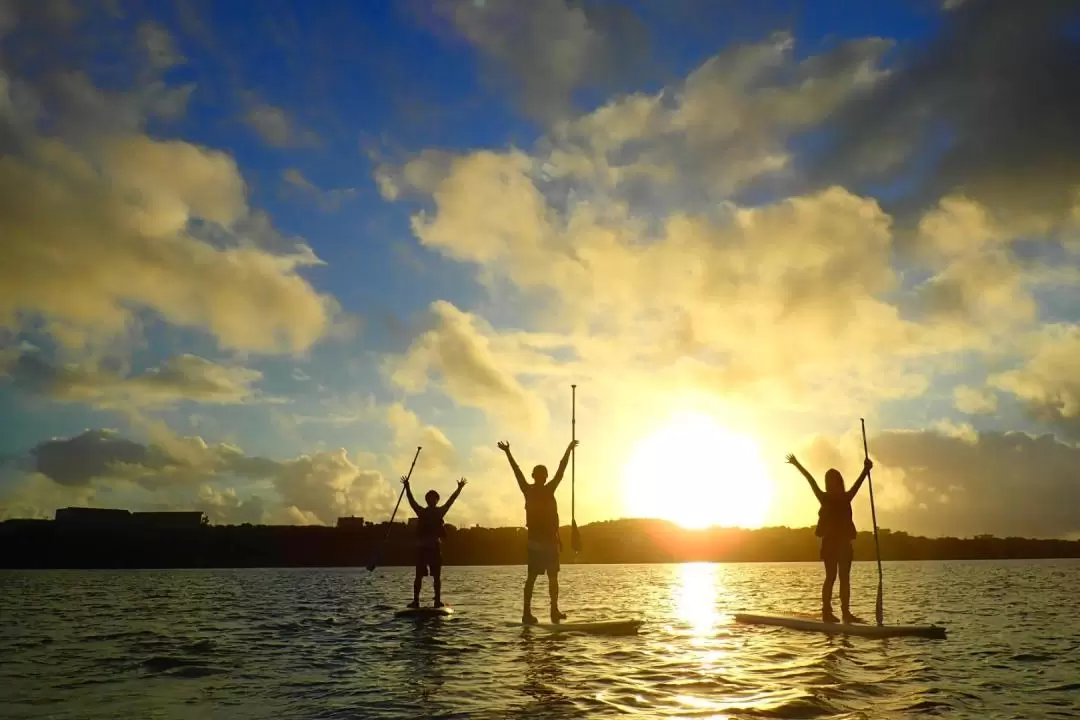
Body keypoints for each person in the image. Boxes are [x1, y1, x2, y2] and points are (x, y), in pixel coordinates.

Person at [498, 438, 578, 625]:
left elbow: (561, 469)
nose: (543, 477)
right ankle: (530, 613)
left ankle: (552, 611)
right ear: (536, 476)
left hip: (549, 541)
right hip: (539, 542)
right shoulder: (532, 490)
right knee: (536, 578)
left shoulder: (545, 489)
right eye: (540, 474)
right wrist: (508, 453)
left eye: (543, 475)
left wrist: (568, 449)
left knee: (550, 577)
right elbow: (517, 471)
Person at [786, 453, 873, 624]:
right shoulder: (824, 497)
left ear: (838, 481)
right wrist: (797, 464)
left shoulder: (846, 497)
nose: (830, 483)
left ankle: (846, 613)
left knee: (845, 578)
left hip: (845, 545)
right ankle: (827, 612)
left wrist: (866, 470)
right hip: (831, 545)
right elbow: (809, 478)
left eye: (833, 480)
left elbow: (858, 484)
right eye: (829, 480)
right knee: (831, 576)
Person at [402, 474, 466, 608]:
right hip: (422, 549)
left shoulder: (440, 512)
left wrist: (459, 488)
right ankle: (416, 601)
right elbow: (411, 501)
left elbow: (451, 500)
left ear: (436, 500)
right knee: (418, 576)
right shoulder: (421, 512)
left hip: (435, 548)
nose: (432, 500)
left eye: (434, 498)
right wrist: (407, 487)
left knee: (436, 576)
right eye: (429, 498)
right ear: (427, 500)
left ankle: (437, 601)